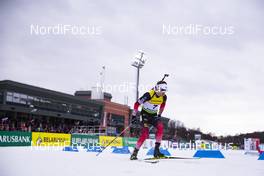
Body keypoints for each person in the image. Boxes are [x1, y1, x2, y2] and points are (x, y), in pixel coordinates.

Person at [130, 80, 168, 160]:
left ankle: (156, 151)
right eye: (162, 91)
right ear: (158, 89)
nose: (163, 93)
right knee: (145, 134)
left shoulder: (164, 97)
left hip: (153, 116)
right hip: (144, 115)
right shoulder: (148, 95)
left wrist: (159, 114)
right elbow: (137, 104)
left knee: (160, 127)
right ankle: (134, 153)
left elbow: (162, 106)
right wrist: (133, 116)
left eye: (165, 91)